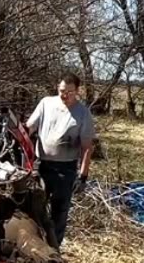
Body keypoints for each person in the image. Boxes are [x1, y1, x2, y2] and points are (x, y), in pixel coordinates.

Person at [26, 72, 96, 247]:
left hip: (66, 169)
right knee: (33, 210)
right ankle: (33, 249)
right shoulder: (46, 103)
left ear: (77, 91)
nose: (65, 95)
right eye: (62, 91)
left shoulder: (83, 113)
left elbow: (87, 147)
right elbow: (28, 129)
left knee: (59, 213)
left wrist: (83, 177)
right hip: (41, 165)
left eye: (70, 92)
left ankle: (54, 251)